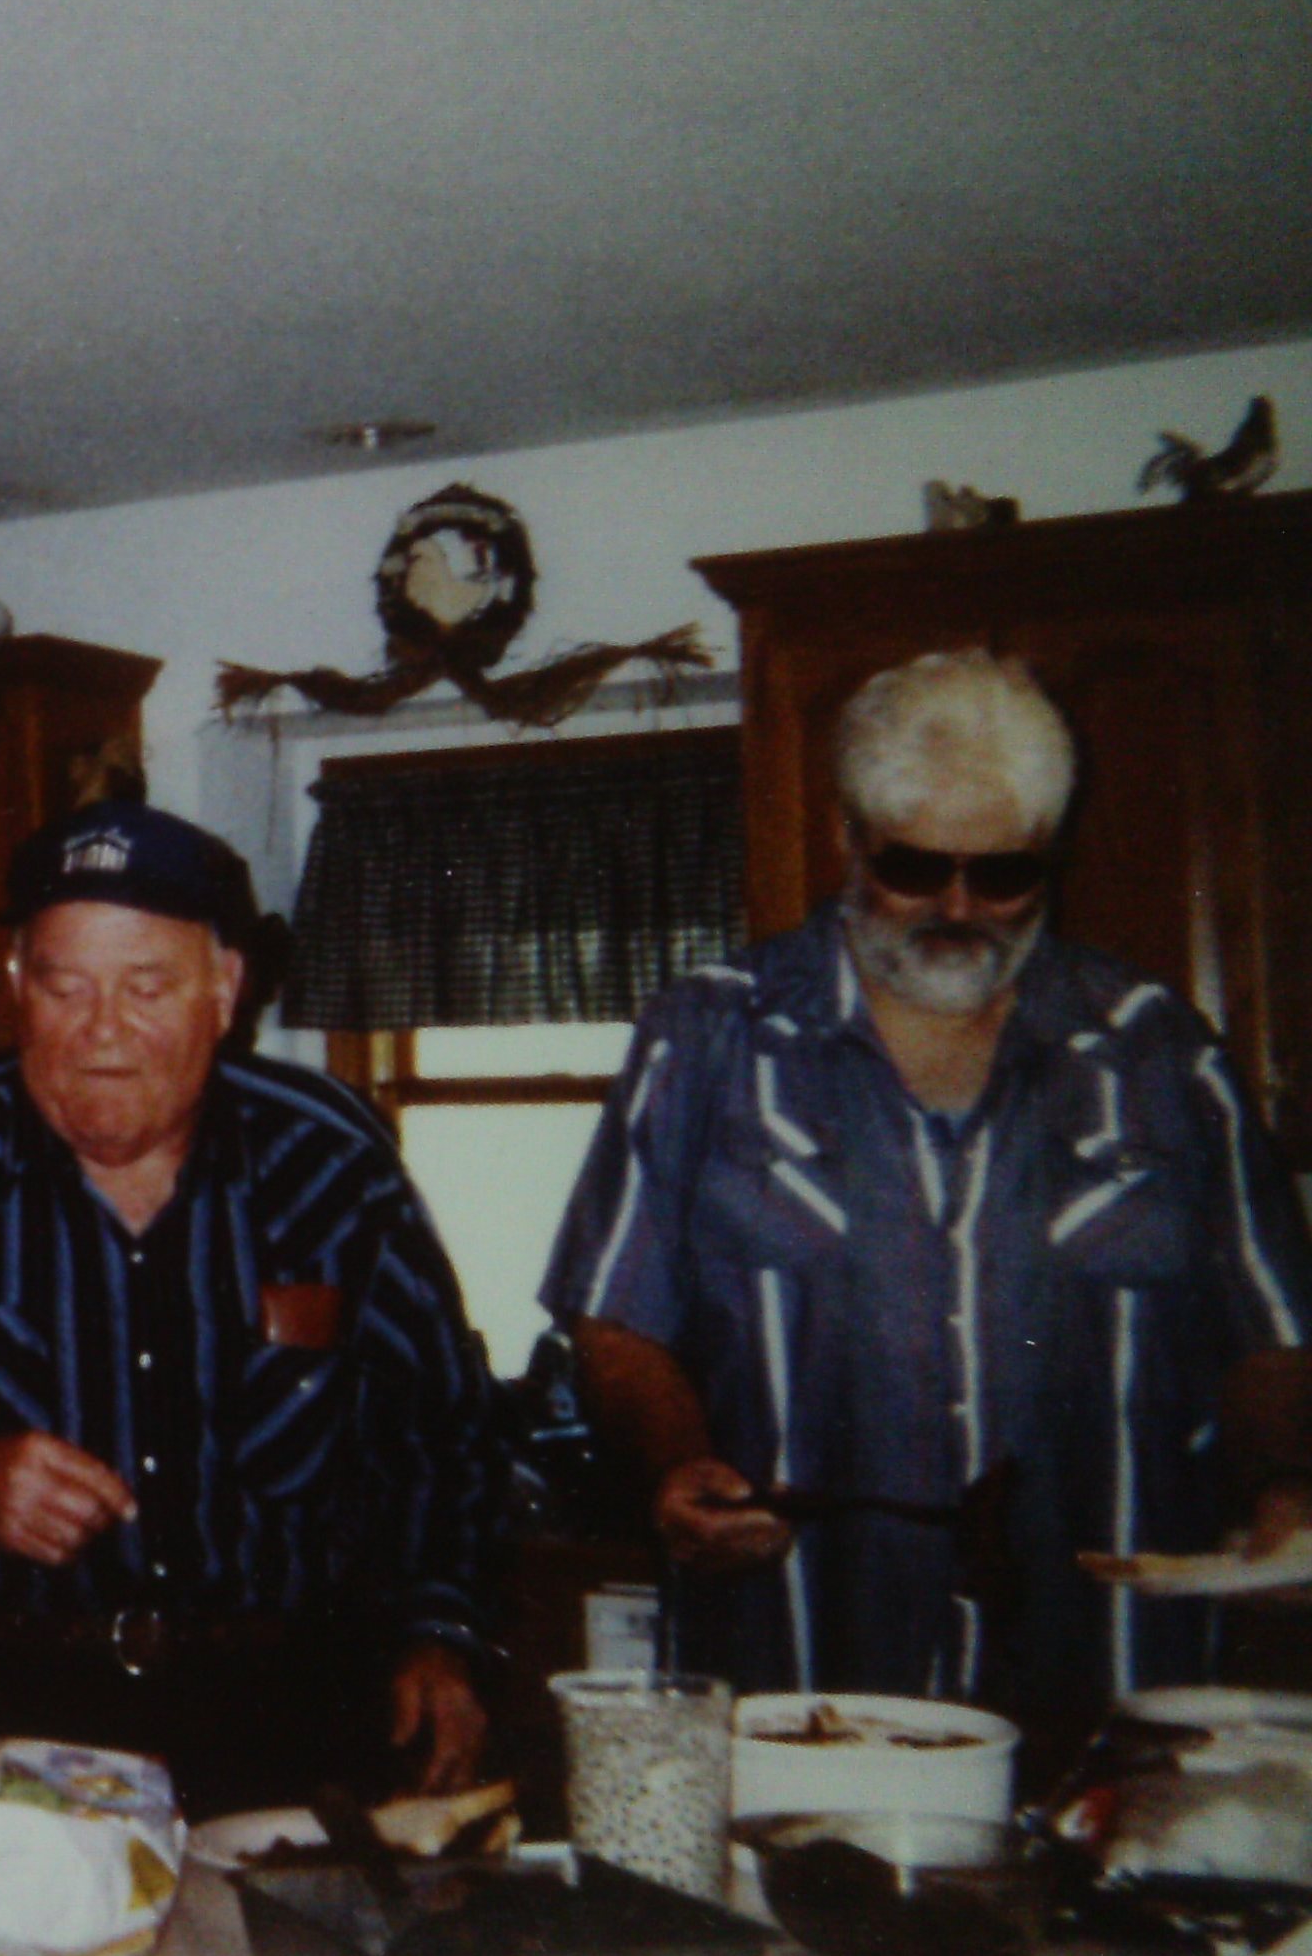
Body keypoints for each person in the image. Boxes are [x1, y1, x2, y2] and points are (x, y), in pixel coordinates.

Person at [541, 648, 1312, 1725]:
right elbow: (616, 1321)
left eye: (1002, 876)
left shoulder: (1160, 1051)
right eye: (913, 868)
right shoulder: (706, 1036)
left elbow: (1270, 1329)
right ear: (846, 838)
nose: (957, 906)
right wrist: (675, 1465)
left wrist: (1283, 1488)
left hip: (1108, 1677)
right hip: (799, 1664)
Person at [0, 799, 508, 1815]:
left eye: (146, 987)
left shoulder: (330, 1162)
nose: (102, 1030)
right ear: (15, 984)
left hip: (285, 1721)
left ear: (223, 988)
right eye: (63, 987)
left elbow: (443, 1440)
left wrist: (439, 1634)